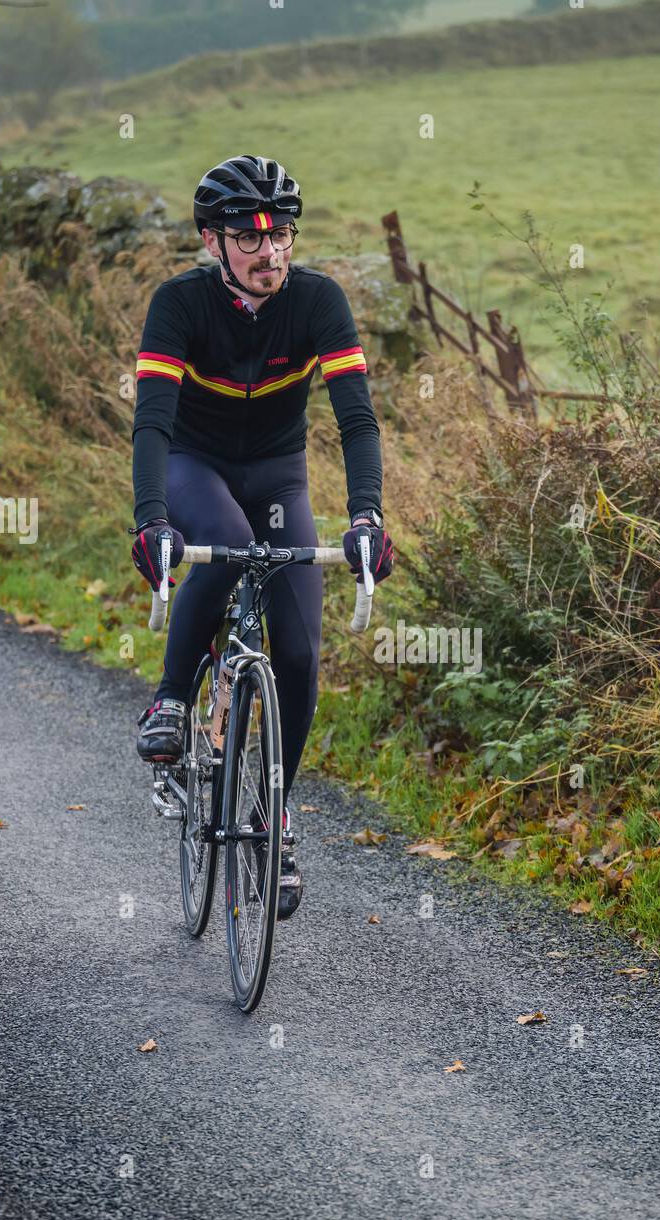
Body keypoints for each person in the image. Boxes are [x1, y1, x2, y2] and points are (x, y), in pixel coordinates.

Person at [128, 154, 394, 920]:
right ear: (212, 241)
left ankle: (275, 815)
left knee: (303, 646)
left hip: (278, 476)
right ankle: (172, 700)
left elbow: (356, 419)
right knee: (225, 539)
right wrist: (151, 520)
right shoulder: (178, 305)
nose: (271, 253)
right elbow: (152, 421)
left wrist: (367, 517)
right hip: (194, 465)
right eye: (250, 238)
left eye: (281, 236)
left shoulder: (317, 301)